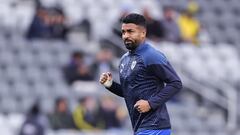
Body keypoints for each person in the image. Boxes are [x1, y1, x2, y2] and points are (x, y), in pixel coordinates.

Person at [99, 13, 182, 135]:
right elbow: (129, 92)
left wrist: (150, 104)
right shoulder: (124, 60)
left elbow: (176, 83)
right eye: (123, 32)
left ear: (143, 33)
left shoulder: (152, 56)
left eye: (130, 31)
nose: (125, 36)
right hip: (140, 127)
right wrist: (110, 85)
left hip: (155, 127)